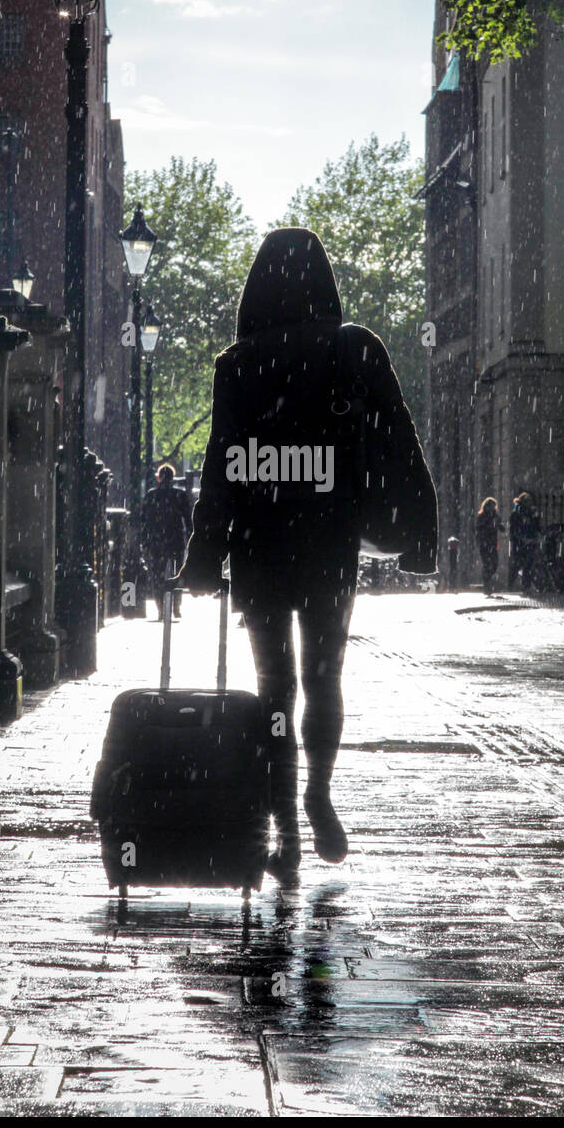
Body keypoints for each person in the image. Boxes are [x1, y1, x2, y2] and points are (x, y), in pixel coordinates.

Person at [174, 227, 436, 882]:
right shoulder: (355, 349)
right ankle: (320, 790)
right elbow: (402, 442)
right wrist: (420, 532)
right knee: (325, 680)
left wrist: (204, 557)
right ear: (323, 282)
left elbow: (222, 469)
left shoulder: (238, 364)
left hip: (261, 545)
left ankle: (285, 827)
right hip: (330, 541)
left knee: (273, 690)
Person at [141, 463, 192, 620]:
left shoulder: (151, 495)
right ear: (172, 478)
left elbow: (145, 520)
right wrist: (190, 536)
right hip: (175, 539)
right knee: (177, 573)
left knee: (157, 575)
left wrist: (144, 540)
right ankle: (176, 605)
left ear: (158, 477)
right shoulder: (180, 495)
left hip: (157, 541)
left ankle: (161, 608)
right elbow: (188, 519)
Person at [509, 491, 540, 592]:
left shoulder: (531, 513)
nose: (530, 503)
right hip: (520, 543)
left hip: (529, 542)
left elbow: (535, 526)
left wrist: (535, 536)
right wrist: (521, 538)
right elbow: (514, 529)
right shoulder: (516, 513)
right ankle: (511, 584)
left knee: (529, 565)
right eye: (527, 501)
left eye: (530, 501)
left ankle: (526, 585)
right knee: (518, 564)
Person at [476, 498, 504, 595]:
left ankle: (487, 581)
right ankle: (487, 585)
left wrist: (500, 526)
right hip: (485, 543)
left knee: (494, 564)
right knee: (487, 564)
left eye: (494, 506)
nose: (493, 508)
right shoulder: (482, 516)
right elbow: (479, 528)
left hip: (492, 543)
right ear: (487, 506)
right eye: (491, 506)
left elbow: (500, 526)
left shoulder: (495, 516)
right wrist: (490, 526)